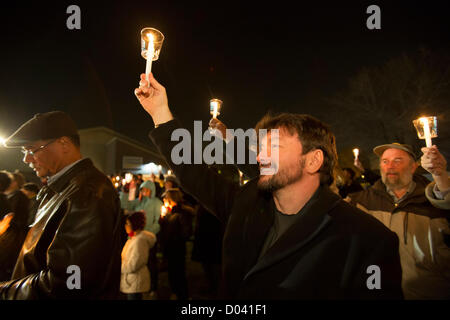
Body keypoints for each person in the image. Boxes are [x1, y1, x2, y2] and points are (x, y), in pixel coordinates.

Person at [134, 73, 403, 299]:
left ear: (313, 160)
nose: (260, 157)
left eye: (274, 147)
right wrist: (160, 113)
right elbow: (193, 172)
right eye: (262, 148)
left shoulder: (366, 240)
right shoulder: (246, 203)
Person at [0, 111, 122, 299]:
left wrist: (7, 291)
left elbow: (68, 282)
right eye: (23, 152)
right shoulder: (60, 187)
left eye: (32, 150)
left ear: (64, 144)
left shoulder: (87, 193)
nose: (26, 159)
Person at [346, 143, 450, 299]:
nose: (390, 166)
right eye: (385, 161)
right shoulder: (361, 201)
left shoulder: (433, 201)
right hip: (378, 291)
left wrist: (440, 175)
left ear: (413, 167)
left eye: (398, 160)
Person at [119, 179, 162, 298]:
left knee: (150, 263)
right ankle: (137, 286)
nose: (144, 192)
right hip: (136, 237)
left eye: (146, 189)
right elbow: (126, 205)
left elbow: (158, 221)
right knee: (136, 261)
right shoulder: (139, 201)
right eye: (142, 189)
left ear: (151, 190)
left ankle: (153, 287)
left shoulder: (156, 202)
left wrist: (148, 233)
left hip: (147, 238)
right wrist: (127, 191)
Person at [160, 188, 194, 300]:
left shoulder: (181, 213)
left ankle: (183, 295)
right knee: (172, 272)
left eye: (166, 197)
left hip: (177, 248)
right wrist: (163, 219)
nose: (164, 199)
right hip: (170, 247)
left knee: (179, 272)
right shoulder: (171, 211)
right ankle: (175, 291)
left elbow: (186, 232)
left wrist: (174, 237)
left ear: (171, 199)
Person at [121, 211, 156, 300]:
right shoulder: (133, 239)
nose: (125, 225)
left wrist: (119, 266)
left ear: (134, 224)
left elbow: (134, 264)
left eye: (127, 223)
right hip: (131, 282)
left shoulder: (139, 241)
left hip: (135, 283)